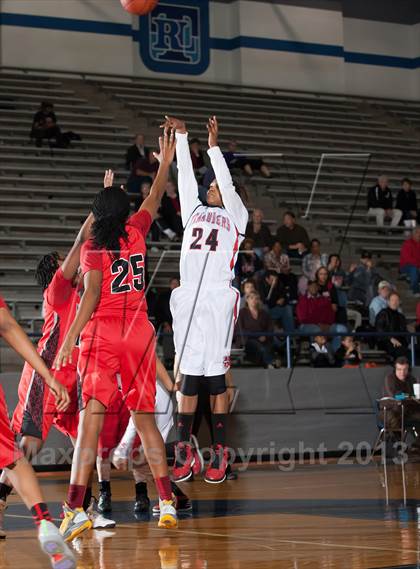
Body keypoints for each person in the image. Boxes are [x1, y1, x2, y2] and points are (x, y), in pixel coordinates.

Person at [53, 127, 179, 538]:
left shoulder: (93, 248)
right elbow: (155, 196)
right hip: (139, 332)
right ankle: (166, 503)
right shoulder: (138, 231)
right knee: (145, 422)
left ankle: (74, 509)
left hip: (103, 335)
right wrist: (166, 161)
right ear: (125, 212)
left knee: (91, 423)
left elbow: (89, 296)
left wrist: (70, 337)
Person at [0, 171, 115, 536]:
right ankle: (1, 500)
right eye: (69, 263)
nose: (79, 264)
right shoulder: (59, 291)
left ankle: (82, 508)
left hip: (73, 376)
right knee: (26, 448)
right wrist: (101, 206)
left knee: (88, 441)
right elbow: (82, 240)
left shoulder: (86, 294)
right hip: (44, 377)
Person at [163, 115, 248, 484]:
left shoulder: (237, 216)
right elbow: (184, 178)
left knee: (216, 380)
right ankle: (185, 452)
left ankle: (220, 453)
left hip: (217, 298)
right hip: (187, 299)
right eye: (210, 185)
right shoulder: (195, 212)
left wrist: (213, 148)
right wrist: (182, 138)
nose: (210, 188)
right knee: (188, 380)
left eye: (213, 185)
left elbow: (227, 183)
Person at [0, 296, 75, 569]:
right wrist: (48, 376)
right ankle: (45, 524)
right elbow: (7, 326)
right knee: (14, 456)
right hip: (63, 372)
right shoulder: (60, 288)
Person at [97, 357, 191, 516]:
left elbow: (137, 413)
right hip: (152, 400)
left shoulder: (117, 353)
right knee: (143, 458)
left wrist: (122, 447)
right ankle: (175, 496)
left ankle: (170, 498)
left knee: (146, 457)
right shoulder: (110, 363)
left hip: (154, 403)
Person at [379, 357, 420, 449]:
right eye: (399, 369)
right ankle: (397, 447)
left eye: (405, 369)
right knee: (394, 421)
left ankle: (416, 446)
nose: (402, 372)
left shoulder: (411, 379)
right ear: (395, 370)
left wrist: (412, 398)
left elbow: (414, 397)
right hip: (389, 410)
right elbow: (395, 396)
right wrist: (409, 397)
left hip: (407, 410)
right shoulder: (389, 378)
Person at [296, 280, 345, 351]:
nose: (314, 288)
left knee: (342, 329)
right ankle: (319, 354)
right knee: (317, 330)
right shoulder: (303, 300)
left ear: (318, 287)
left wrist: (327, 324)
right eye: (312, 286)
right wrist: (318, 324)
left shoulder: (325, 300)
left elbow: (331, 314)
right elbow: (302, 318)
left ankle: (334, 352)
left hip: (325, 325)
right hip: (306, 325)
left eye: (316, 286)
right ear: (308, 287)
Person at [235, 292, 276, 368]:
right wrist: (257, 336)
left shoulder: (264, 313)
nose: (254, 300)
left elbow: (270, 328)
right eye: (251, 298)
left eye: (256, 298)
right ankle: (270, 364)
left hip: (263, 340)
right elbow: (240, 330)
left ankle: (271, 363)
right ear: (247, 300)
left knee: (272, 345)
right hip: (247, 340)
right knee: (260, 348)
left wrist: (265, 336)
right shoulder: (242, 313)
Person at [375, 292, 409, 360]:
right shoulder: (383, 313)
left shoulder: (401, 316)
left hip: (400, 342)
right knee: (401, 352)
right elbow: (379, 329)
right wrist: (391, 338)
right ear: (388, 302)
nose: (394, 302)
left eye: (397, 300)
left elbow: (404, 331)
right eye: (392, 300)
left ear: (399, 302)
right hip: (386, 341)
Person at [399, 227, 420, 296]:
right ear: (413, 234)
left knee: (415, 270)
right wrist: (418, 265)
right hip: (406, 266)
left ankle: (411, 278)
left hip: (417, 266)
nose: (419, 234)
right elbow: (408, 259)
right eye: (417, 232)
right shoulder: (407, 244)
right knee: (413, 268)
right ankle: (415, 290)